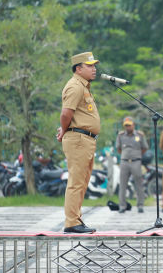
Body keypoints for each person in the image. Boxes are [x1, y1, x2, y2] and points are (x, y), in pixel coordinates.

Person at [57, 52, 100, 234]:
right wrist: (64, 129)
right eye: (89, 65)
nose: (94, 68)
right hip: (78, 139)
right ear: (78, 68)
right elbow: (66, 114)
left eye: (94, 65)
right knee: (76, 182)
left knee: (82, 182)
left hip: (85, 139)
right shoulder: (75, 86)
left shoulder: (84, 86)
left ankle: (76, 219)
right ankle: (72, 222)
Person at [115, 117, 148, 213]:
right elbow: (119, 149)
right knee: (123, 184)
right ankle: (122, 206)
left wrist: (137, 154)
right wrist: (126, 155)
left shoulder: (140, 135)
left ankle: (140, 205)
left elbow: (145, 148)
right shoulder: (121, 136)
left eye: (129, 125)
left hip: (136, 161)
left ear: (133, 125)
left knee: (139, 183)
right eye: (126, 125)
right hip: (124, 161)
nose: (128, 127)